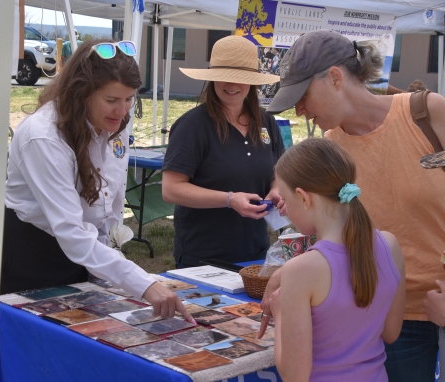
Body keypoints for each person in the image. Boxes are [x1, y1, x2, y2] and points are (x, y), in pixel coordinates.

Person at [0, 39, 195, 332]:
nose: (122, 111)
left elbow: (109, 197)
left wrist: (109, 259)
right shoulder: (44, 136)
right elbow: (70, 230)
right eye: (111, 100)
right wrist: (142, 283)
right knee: (24, 346)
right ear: (81, 92)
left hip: (82, 253)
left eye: (129, 99)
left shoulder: (115, 124)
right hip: (29, 254)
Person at [264, 29, 445, 382]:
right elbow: (338, 238)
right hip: (389, 317)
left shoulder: (427, 113)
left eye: (302, 96)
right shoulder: (329, 151)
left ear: (334, 78)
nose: (299, 111)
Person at [266, 138, 405, 381]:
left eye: (286, 201)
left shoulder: (301, 270)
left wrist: (279, 313)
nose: (284, 210)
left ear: (304, 198)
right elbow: (391, 333)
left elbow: (294, 376)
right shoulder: (390, 244)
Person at [161, 35, 285, 268]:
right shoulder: (193, 126)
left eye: (241, 79)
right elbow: (171, 190)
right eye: (224, 77)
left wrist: (277, 190)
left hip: (256, 251)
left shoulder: (266, 122)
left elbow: (280, 170)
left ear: (253, 82)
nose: (232, 85)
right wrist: (229, 200)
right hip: (204, 256)